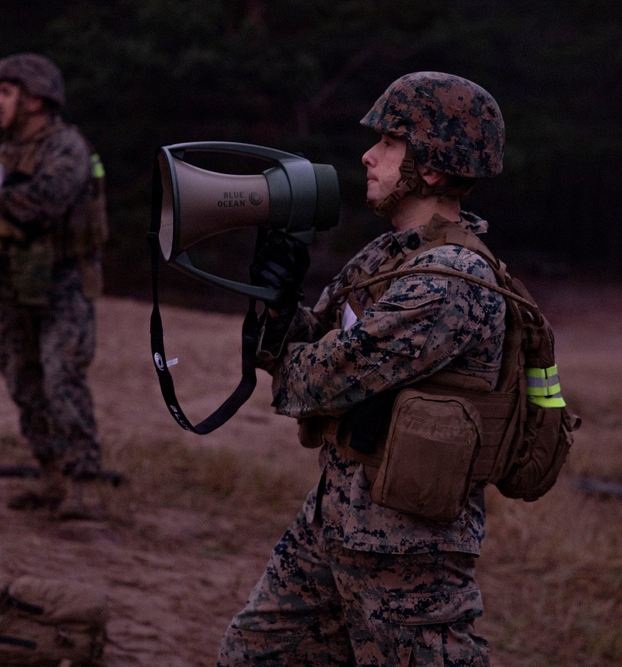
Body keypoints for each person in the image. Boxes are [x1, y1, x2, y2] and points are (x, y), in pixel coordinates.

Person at [218, 72, 507, 665]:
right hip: (333, 524)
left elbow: (317, 382)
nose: (368, 156)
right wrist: (276, 304)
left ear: (430, 168)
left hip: (409, 561)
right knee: (253, 655)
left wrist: (296, 349)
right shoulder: (386, 257)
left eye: (389, 144)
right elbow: (302, 356)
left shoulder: (450, 282)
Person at [0, 53, 109, 518]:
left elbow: (45, 201)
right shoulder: (4, 152)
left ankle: (83, 487)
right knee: (21, 378)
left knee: (61, 378)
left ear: (34, 99)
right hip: (15, 286)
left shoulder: (67, 147)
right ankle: (51, 477)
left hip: (64, 284)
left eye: (6, 93)